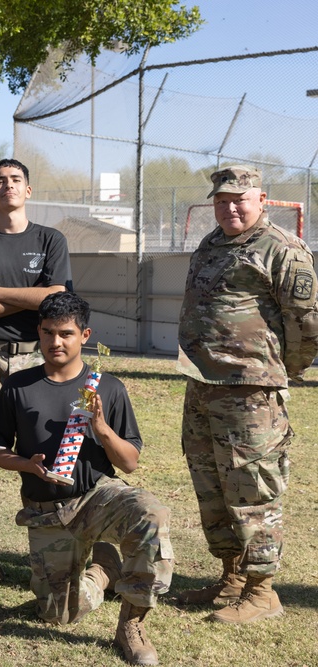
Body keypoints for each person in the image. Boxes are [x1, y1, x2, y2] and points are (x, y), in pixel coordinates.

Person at [0, 292, 172, 666]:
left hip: (96, 497)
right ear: (38, 332)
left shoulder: (109, 387)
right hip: (46, 508)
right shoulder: (18, 386)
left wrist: (102, 428)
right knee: (59, 614)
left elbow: (130, 462)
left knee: (151, 515)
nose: (56, 342)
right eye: (48, 332)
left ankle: (131, 626)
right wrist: (27, 465)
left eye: (66, 333)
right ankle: (104, 570)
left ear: (84, 335)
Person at [174, 165, 318, 624]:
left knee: (253, 487)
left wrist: (279, 372)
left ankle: (262, 591)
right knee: (211, 483)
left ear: (261, 198)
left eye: (240, 198)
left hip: (250, 391)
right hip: (202, 385)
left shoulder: (283, 250)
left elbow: (307, 324)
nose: (230, 207)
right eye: (222, 200)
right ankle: (232, 576)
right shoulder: (211, 243)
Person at [0, 158, 71, 392]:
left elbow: (57, 298)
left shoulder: (51, 240)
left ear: (27, 191)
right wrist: (34, 298)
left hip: (37, 356)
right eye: (0, 181)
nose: (8, 185)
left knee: (32, 428)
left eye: (16, 180)